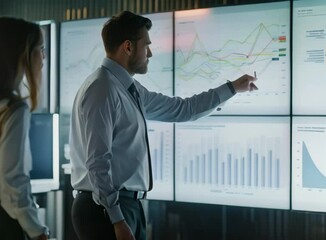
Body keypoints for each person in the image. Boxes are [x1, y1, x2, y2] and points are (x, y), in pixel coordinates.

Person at [69, 10, 258, 240]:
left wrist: (232, 88)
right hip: (106, 210)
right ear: (127, 47)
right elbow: (97, 161)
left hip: (122, 206)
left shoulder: (128, 89)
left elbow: (182, 109)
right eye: (145, 45)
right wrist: (116, 218)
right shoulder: (103, 89)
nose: (150, 53)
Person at [0, 17, 49, 240]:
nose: (43, 57)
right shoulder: (12, 109)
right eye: (40, 49)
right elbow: (12, 183)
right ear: (21, 54)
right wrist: (37, 231)